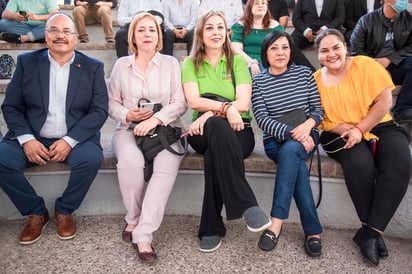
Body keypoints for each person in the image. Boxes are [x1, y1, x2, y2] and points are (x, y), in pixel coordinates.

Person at [0, 13, 108, 245]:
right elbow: (11, 106)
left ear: (75, 38)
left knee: (91, 158)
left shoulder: (93, 67)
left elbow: (99, 111)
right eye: (54, 30)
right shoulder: (28, 62)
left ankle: (64, 210)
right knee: (1, 158)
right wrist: (27, 139)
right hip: (34, 134)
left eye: (66, 31)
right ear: (46, 35)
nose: (60, 35)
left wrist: (70, 140)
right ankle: (36, 212)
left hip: (75, 136)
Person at [314, 28, 410, 266]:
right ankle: (372, 234)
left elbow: (385, 101)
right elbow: (319, 118)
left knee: (400, 163)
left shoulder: (364, 64)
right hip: (339, 131)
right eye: (324, 50)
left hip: (378, 124)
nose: (331, 54)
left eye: (336, 47)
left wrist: (360, 129)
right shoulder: (315, 80)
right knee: (360, 164)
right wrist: (344, 129)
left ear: (345, 46)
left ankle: (369, 234)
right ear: (318, 55)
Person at [181, 10, 271, 253]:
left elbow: (243, 103)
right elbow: (193, 101)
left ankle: (210, 227)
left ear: (226, 32)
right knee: (217, 128)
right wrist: (222, 109)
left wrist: (213, 112)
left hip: (239, 130)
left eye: (220, 27)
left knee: (215, 155)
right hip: (201, 131)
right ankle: (247, 203)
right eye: (209, 27)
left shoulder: (238, 61)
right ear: (200, 32)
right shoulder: (190, 63)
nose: (216, 32)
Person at [108, 12, 187, 263]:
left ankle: (144, 233)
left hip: (165, 130)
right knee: (130, 161)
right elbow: (111, 103)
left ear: (159, 36)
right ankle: (133, 218)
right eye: (141, 30)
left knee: (164, 168)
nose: (147, 35)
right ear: (132, 36)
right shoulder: (121, 65)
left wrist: (155, 119)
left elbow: (180, 102)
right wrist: (127, 114)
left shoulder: (171, 64)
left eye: (152, 30)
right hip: (128, 130)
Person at [252, 30, 324, 257]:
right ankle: (313, 231)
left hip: (307, 135)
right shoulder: (259, 81)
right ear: (266, 53)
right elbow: (262, 119)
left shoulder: (304, 73)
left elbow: (319, 110)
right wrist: (295, 133)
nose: (280, 52)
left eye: (284, 47)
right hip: (276, 141)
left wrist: (307, 128)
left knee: (292, 150)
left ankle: (276, 223)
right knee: (293, 157)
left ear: (291, 49)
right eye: (273, 48)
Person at [350, 0, 412, 123]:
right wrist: (374, 66)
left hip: (395, 67)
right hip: (370, 70)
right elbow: (356, 51)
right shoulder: (366, 20)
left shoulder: (408, 19)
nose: (403, 1)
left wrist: (390, 59)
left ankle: (402, 110)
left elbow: (411, 46)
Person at [231, 0, 284, 76]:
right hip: (245, 61)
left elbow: (280, 48)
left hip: (268, 61)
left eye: (263, 3)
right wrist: (251, 62)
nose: (260, 5)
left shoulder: (275, 26)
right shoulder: (240, 26)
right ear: (250, 7)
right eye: (256, 3)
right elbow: (236, 49)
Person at [291, 0, 345, 71]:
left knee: (337, 43)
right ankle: (310, 71)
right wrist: (305, 31)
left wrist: (326, 29)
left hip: (328, 30)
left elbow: (340, 17)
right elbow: (296, 18)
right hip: (305, 31)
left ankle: (328, 71)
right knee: (289, 44)